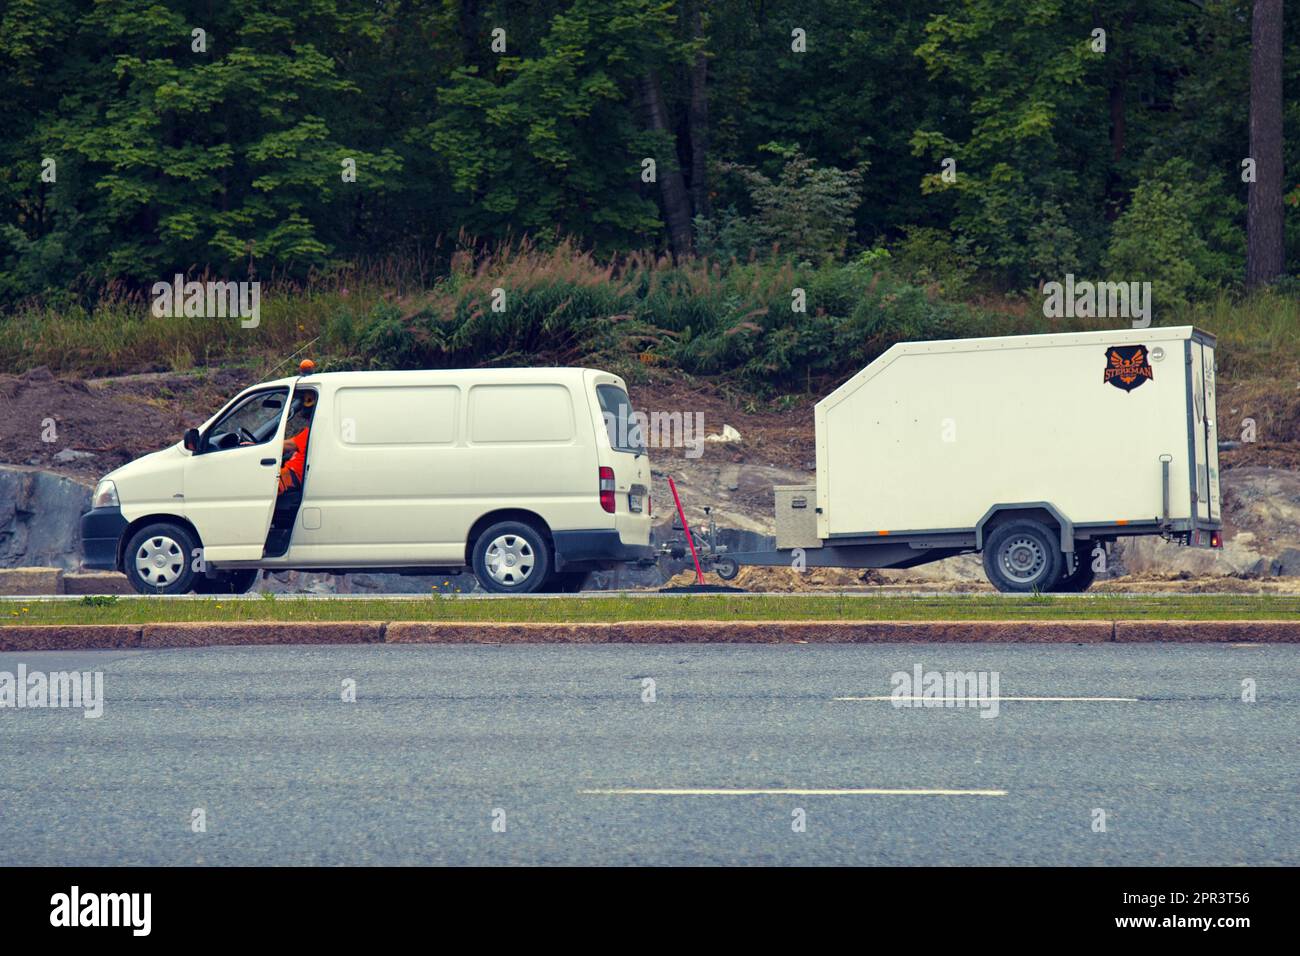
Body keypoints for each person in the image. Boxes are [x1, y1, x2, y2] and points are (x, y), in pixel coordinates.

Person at [277, 390, 316, 495]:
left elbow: (286, 445)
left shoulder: (313, 432)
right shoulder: (311, 431)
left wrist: (259, 448)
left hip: (293, 476)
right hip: (291, 473)